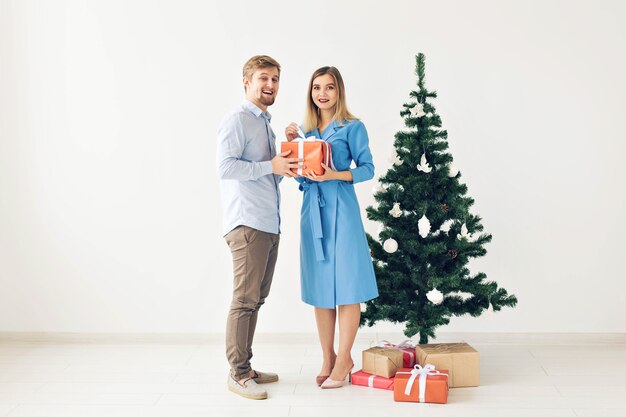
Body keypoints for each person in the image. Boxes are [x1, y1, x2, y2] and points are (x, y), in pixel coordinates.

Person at [285, 66, 378, 389]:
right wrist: (293, 149)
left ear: (339, 92)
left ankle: (345, 357)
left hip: (343, 210)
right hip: (313, 211)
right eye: (316, 88)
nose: (322, 94)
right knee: (322, 287)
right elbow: (300, 174)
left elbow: (368, 169)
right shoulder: (306, 130)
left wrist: (333, 174)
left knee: (347, 285)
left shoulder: (353, 127)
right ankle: (328, 356)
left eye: (329, 88)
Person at [217, 55, 302, 400]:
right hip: (248, 223)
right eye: (264, 78)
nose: (270, 85)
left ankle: (246, 367)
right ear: (247, 82)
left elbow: (267, 175)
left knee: (256, 299)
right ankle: (237, 374)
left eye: (276, 80)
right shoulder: (237, 119)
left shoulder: (266, 123)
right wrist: (271, 165)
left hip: (268, 223)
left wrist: (284, 160)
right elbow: (226, 167)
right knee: (244, 299)